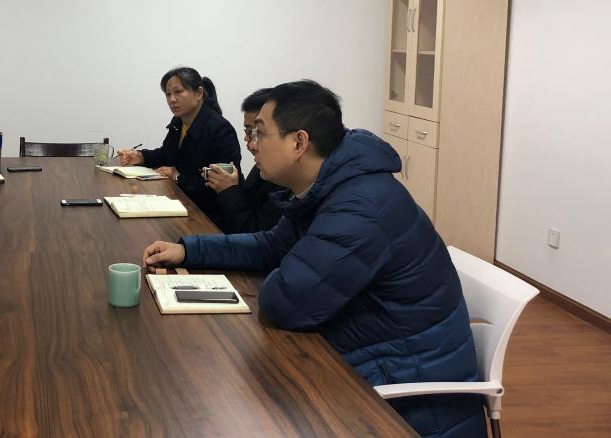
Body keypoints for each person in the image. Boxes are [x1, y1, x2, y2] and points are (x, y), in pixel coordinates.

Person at [141, 80, 486, 437]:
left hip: (408, 402)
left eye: (260, 133)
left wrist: (279, 268)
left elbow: (284, 302)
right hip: (364, 357)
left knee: (231, 400)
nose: (252, 145)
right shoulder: (327, 187)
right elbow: (269, 246)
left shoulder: (360, 208)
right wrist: (189, 249)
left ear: (299, 142)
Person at [117, 67, 242, 224]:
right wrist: (141, 156)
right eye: (168, 94)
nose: (172, 99)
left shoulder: (220, 130)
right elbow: (166, 154)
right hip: (179, 202)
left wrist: (179, 177)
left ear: (198, 93)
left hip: (208, 215)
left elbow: (219, 184)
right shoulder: (178, 121)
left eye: (178, 92)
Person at [204, 88, 287, 233]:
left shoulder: (288, 181)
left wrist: (229, 190)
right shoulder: (262, 164)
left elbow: (256, 235)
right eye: (248, 132)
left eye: (257, 132)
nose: (250, 143)